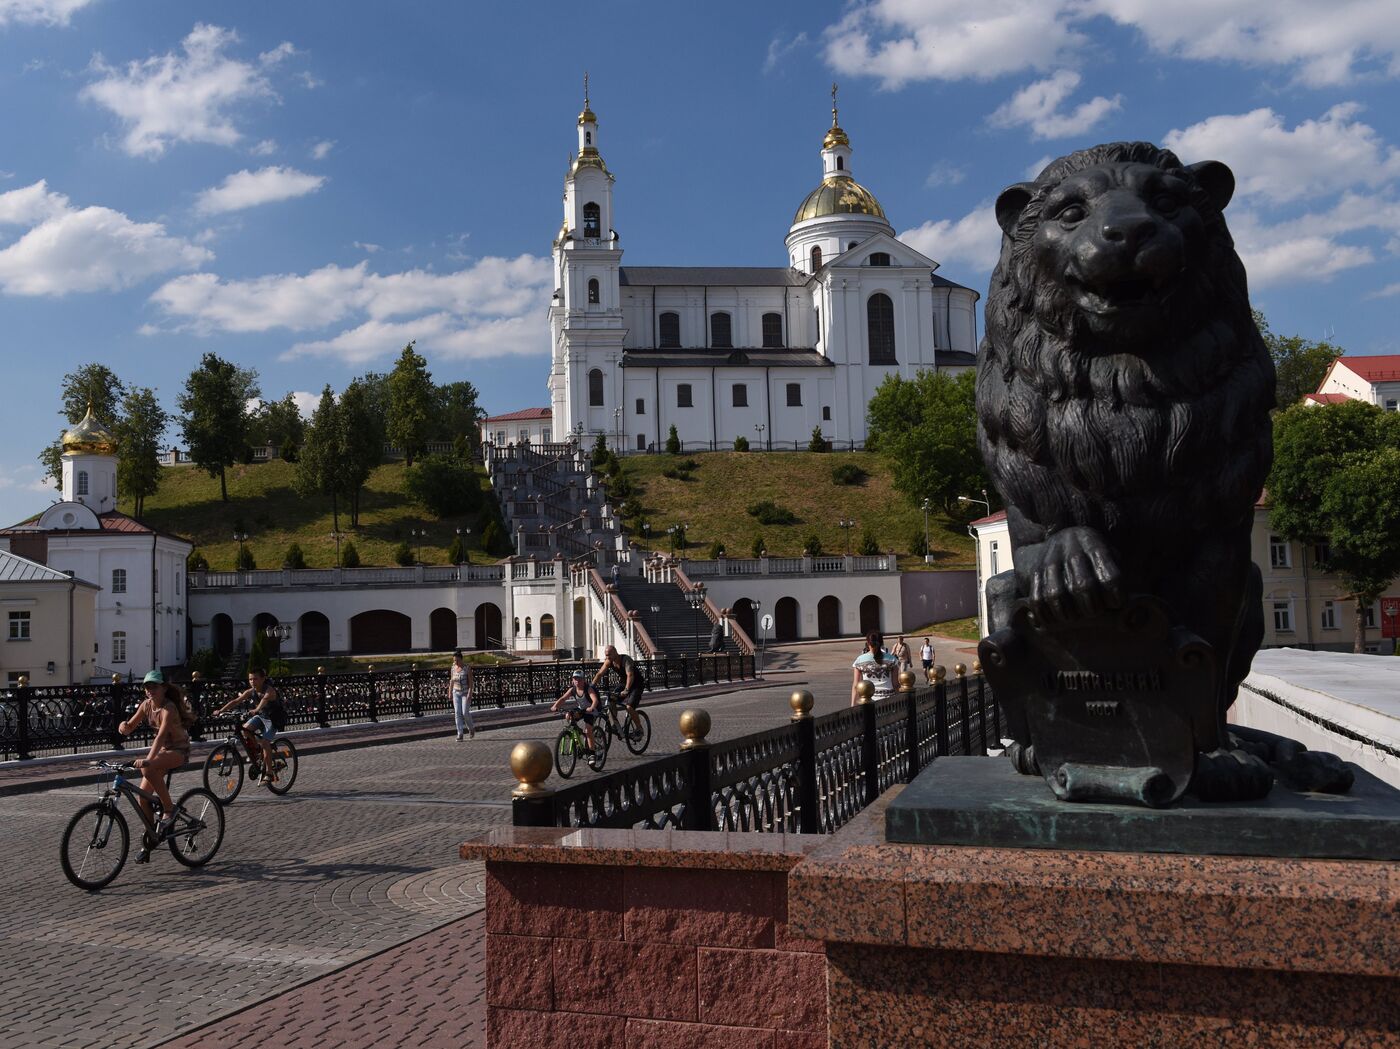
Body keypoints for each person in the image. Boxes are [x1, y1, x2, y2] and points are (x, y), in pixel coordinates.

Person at [117, 670, 195, 854]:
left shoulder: (169, 708)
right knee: (143, 797)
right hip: (162, 752)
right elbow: (129, 728)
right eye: (147, 687)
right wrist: (123, 727)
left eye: (154, 686)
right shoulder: (146, 705)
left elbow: (160, 736)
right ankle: (151, 837)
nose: (150, 690)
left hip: (178, 750)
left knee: (148, 769)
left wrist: (148, 760)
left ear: (164, 688)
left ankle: (169, 808)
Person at [213, 667, 285, 784]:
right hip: (261, 716)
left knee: (265, 742)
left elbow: (264, 700)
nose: (252, 682)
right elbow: (236, 701)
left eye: (255, 679)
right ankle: (257, 750)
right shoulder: (251, 691)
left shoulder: (269, 690)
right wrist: (220, 710)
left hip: (273, 719)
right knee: (245, 729)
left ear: (263, 679)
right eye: (250, 679)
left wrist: (256, 709)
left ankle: (270, 773)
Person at [593, 644, 646, 730]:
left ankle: (639, 728)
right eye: (606, 655)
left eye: (609, 655)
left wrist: (626, 690)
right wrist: (591, 687)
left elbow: (630, 675)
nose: (607, 657)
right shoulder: (609, 661)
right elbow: (599, 674)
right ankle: (614, 724)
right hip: (624, 683)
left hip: (636, 685)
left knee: (629, 707)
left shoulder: (626, 660)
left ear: (615, 653)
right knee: (611, 700)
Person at [551, 670, 601, 750]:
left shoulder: (588, 689)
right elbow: (563, 698)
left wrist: (591, 708)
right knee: (569, 715)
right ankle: (576, 736)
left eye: (579, 679)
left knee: (588, 731)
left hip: (592, 711)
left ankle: (592, 753)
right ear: (572, 680)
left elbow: (595, 700)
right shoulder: (572, 690)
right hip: (582, 709)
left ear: (584, 680)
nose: (577, 681)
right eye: (575, 679)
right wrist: (555, 706)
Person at [850, 632, 899, 706]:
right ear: (882, 643)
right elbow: (895, 684)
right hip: (889, 701)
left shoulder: (859, 660)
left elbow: (856, 685)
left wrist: (853, 705)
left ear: (867, 643)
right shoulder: (892, 660)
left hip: (868, 701)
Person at [449, 649, 476, 740]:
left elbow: (471, 682)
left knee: (465, 712)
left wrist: (470, 693)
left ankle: (471, 728)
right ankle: (460, 733)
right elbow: (451, 681)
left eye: (457, 660)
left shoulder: (467, 668)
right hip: (455, 692)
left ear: (461, 659)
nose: (455, 662)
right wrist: (450, 692)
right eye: (454, 660)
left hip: (465, 692)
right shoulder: (453, 668)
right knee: (457, 713)